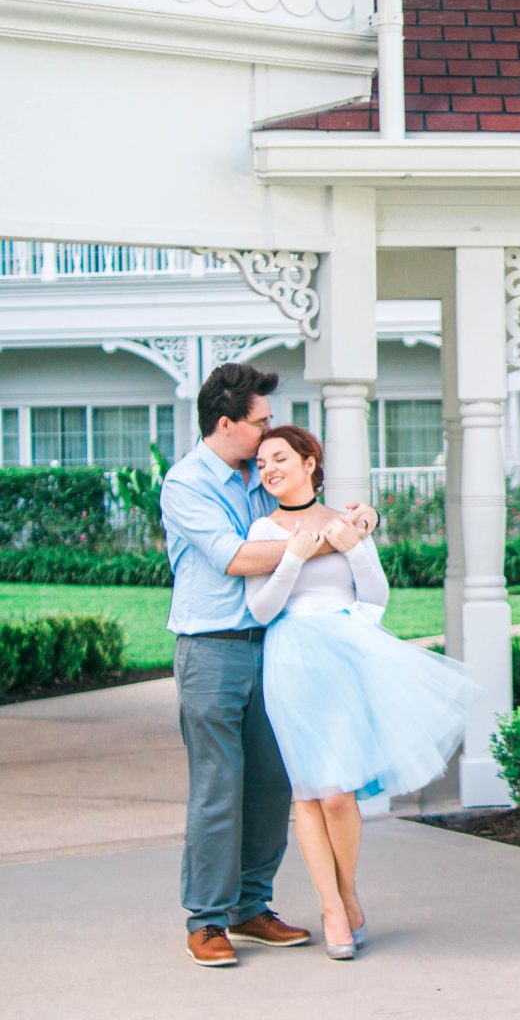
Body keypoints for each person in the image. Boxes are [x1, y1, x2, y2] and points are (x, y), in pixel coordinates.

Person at [161, 364, 380, 968]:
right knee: (217, 785)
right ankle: (206, 919)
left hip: (276, 646)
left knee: (272, 782)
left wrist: (361, 522)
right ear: (226, 424)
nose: (267, 438)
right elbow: (235, 558)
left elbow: (307, 505)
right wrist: (323, 538)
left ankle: (251, 906)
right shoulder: (186, 484)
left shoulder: (258, 474)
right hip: (212, 648)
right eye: (259, 424)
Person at [244, 426, 476, 961]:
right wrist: (292, 558)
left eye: (279, 458)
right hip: (290, 660)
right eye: (261, 463)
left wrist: (357, 546)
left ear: (309, 462)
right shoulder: (263, 529)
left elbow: (374, 598)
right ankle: (332, 909)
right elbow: (260, 610)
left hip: (344, 656)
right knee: (307, 792)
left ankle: (348, 892)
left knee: (338, 794)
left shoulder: (345, 521)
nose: (269, 469)